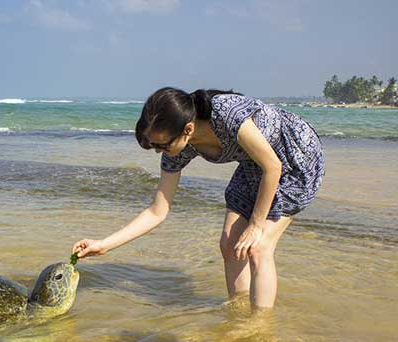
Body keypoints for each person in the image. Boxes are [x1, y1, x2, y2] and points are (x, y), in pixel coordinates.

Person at [72, 87, 324, 309]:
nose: (160, 152)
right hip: (253, 165)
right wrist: (104, 244)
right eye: (154, 147)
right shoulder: (177, 150)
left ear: (188, 128)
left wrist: (257, 225)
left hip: (294, 160)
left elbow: (273, 167)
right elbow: (157, 211)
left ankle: (258, 330)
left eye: (163, 145)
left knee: (258, 247)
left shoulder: (227, 115)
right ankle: (238, 313)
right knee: (230, 245)